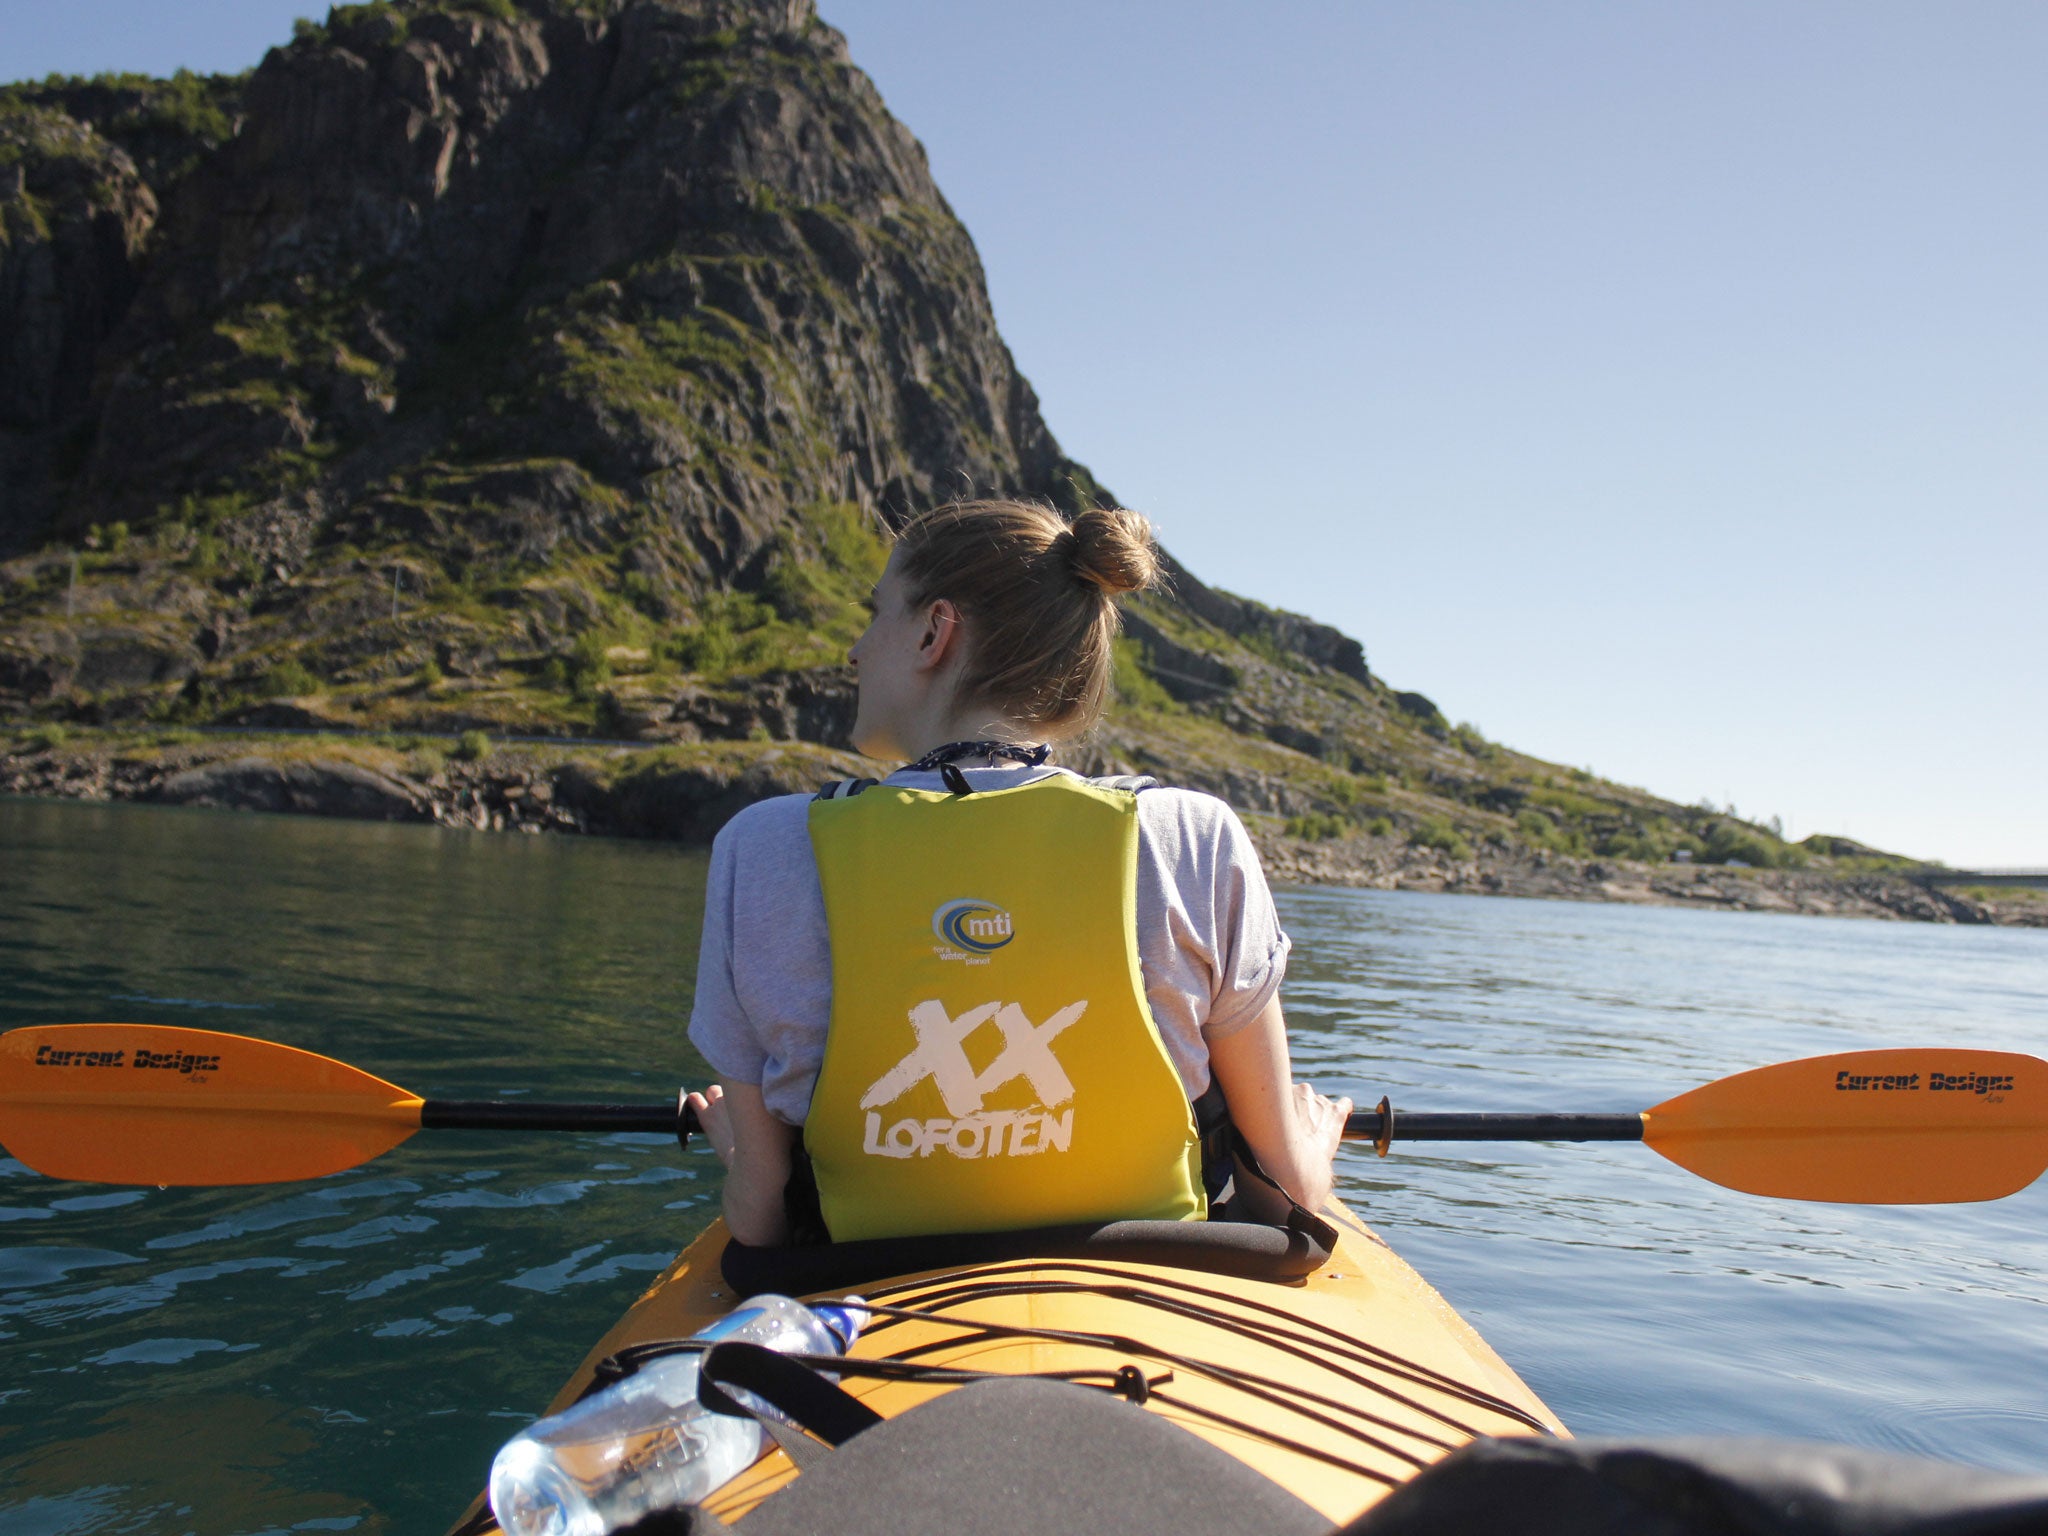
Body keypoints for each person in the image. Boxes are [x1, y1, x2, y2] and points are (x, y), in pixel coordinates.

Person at [685, 499, 1350, 1247]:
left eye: (874, 615)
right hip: (1149, 1296)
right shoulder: (1191, 835)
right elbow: (1285, 1192)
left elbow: (762, 1218)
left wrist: (742, 1155)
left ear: (935, 632)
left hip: (868, 1296)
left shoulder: (764, 847)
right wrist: (1313, 1150)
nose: (855, 649)